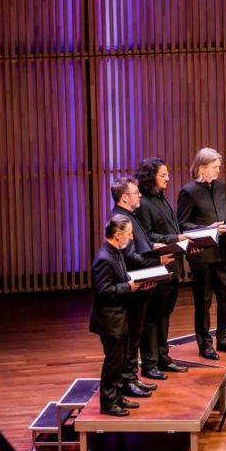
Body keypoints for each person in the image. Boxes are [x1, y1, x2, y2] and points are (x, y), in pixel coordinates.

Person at [109, 175, 172, 395]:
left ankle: (131, 378)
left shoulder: (129, 215)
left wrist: (154, 245)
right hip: (135, 285)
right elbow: (131, 256)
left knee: (135, 335)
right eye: (136, 193)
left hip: (143, 282)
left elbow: (140, 243)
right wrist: (158, 260)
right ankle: (128, 380)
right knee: (132, 336)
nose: (140, 195)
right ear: (125, 197)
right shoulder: (120, 218)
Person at [89, 215, 153, 416]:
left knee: (122, 359)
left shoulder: (115, 252)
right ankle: (108, 403)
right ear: (117, 235)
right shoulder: (104, 258)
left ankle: (117, 396)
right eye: (128, 233)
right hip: (110, 320)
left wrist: (137, 283)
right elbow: (104, 290)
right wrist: (128, 286)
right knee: (113, 362)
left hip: (120, 316)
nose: (131, 237)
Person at [178, 147, 226, 360]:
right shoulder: (189, 191)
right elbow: (182, 224)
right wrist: (209, 229)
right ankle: (204, 343)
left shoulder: (220, 187)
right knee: (203, 300)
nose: (218, 171)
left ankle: (224, 338)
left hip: (222, 252)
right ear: (202, 167)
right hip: (201, 255)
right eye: (214, 167)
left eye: (219, 167)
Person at [134, 158, 188, 378]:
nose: (168, 178)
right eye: (163, 175)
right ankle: (150, 364)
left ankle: (163, 357)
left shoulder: (161, 198)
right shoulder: (144, 203)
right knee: (152, 317)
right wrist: (176, 237)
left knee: (164, 314)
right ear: (151, 177)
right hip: (158, 266)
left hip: (172, 264)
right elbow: (146, 236)